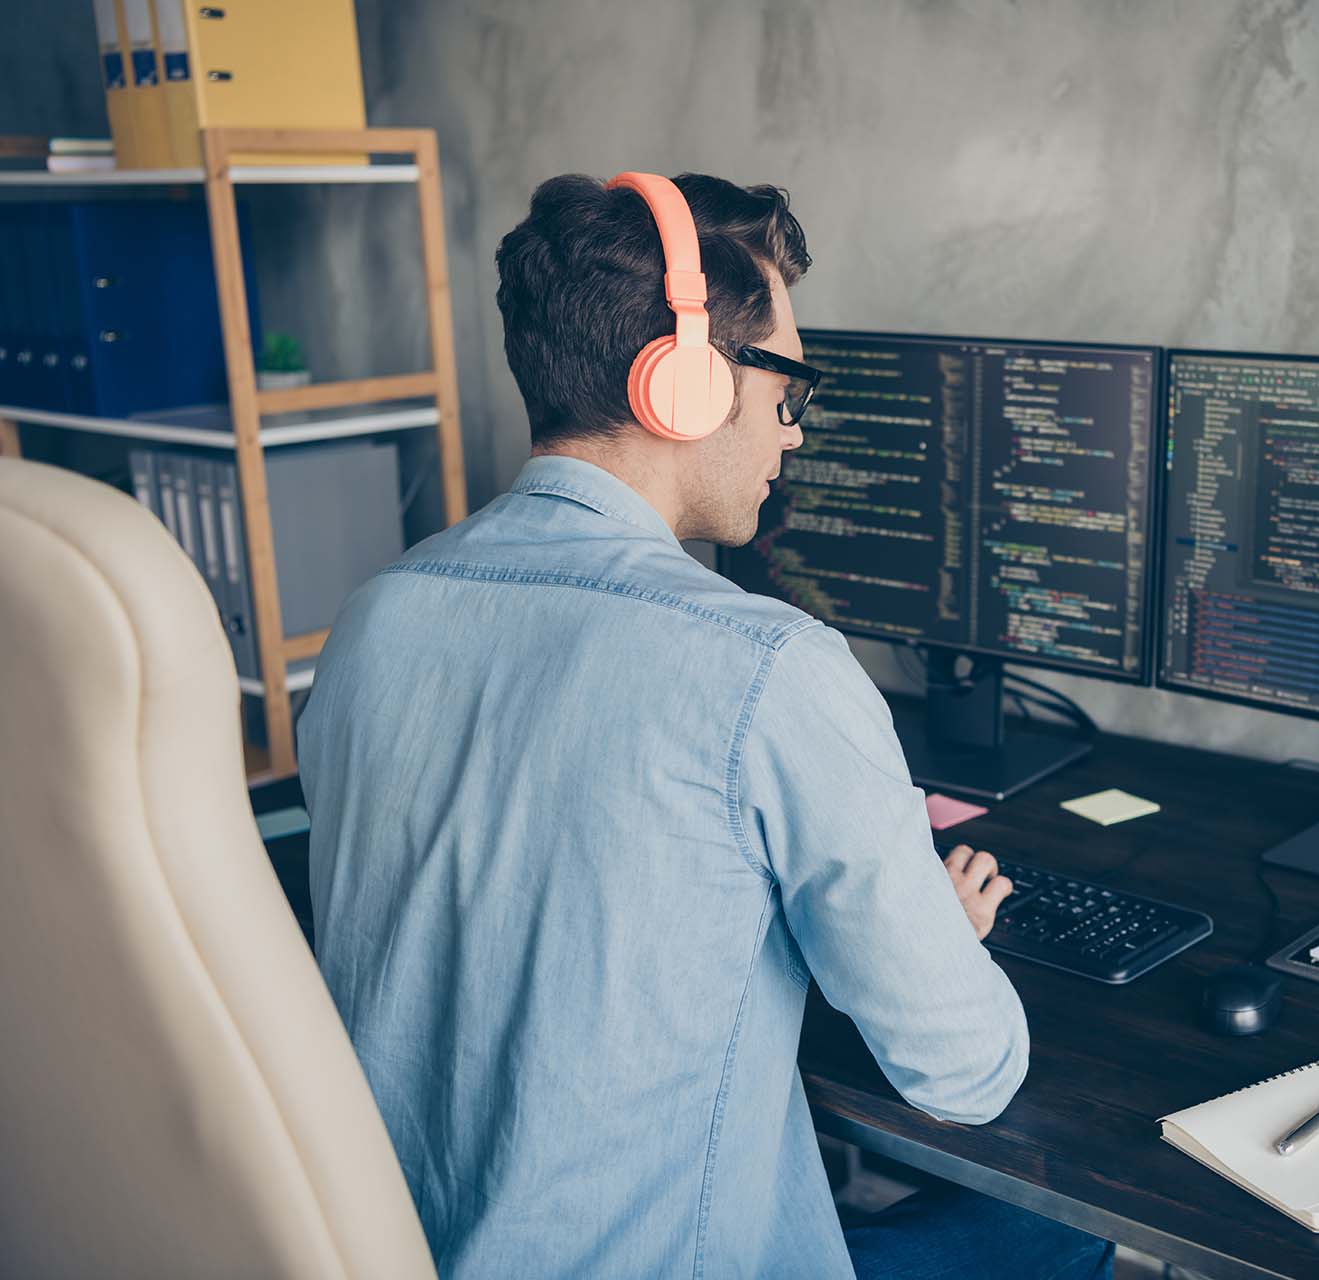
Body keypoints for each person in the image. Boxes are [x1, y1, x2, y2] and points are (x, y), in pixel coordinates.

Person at [297, 171, 1114, 1279]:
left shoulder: (373, 620)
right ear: (679, 384)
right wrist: (924, 933)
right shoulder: (769, 670)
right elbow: (963, 1071)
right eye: (788, 387)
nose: (792, 432)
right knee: (1059, 1224)